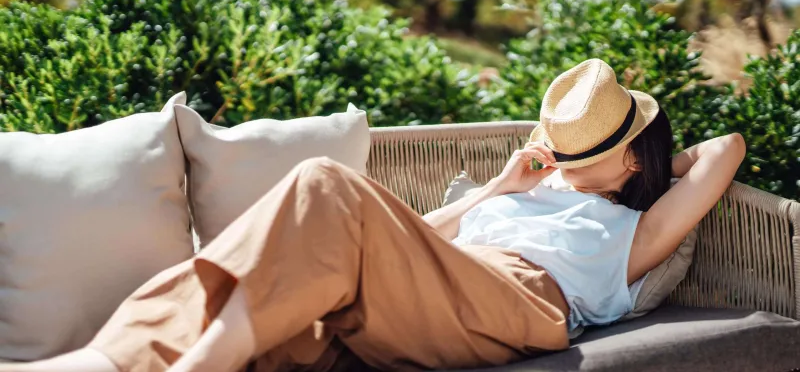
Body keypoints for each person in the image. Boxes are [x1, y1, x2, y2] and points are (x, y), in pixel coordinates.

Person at [3, 59, 746, 372]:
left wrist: (646, 167)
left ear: (633, 159)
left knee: (325, 182)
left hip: (523, 304)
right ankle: (93, 363)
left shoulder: (638, 232)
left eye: (594, 149)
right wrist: (498, 191)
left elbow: (727, 148)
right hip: (442, 291)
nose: (564, 159)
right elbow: (412, 241)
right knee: (283, 326)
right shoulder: (531, 192)